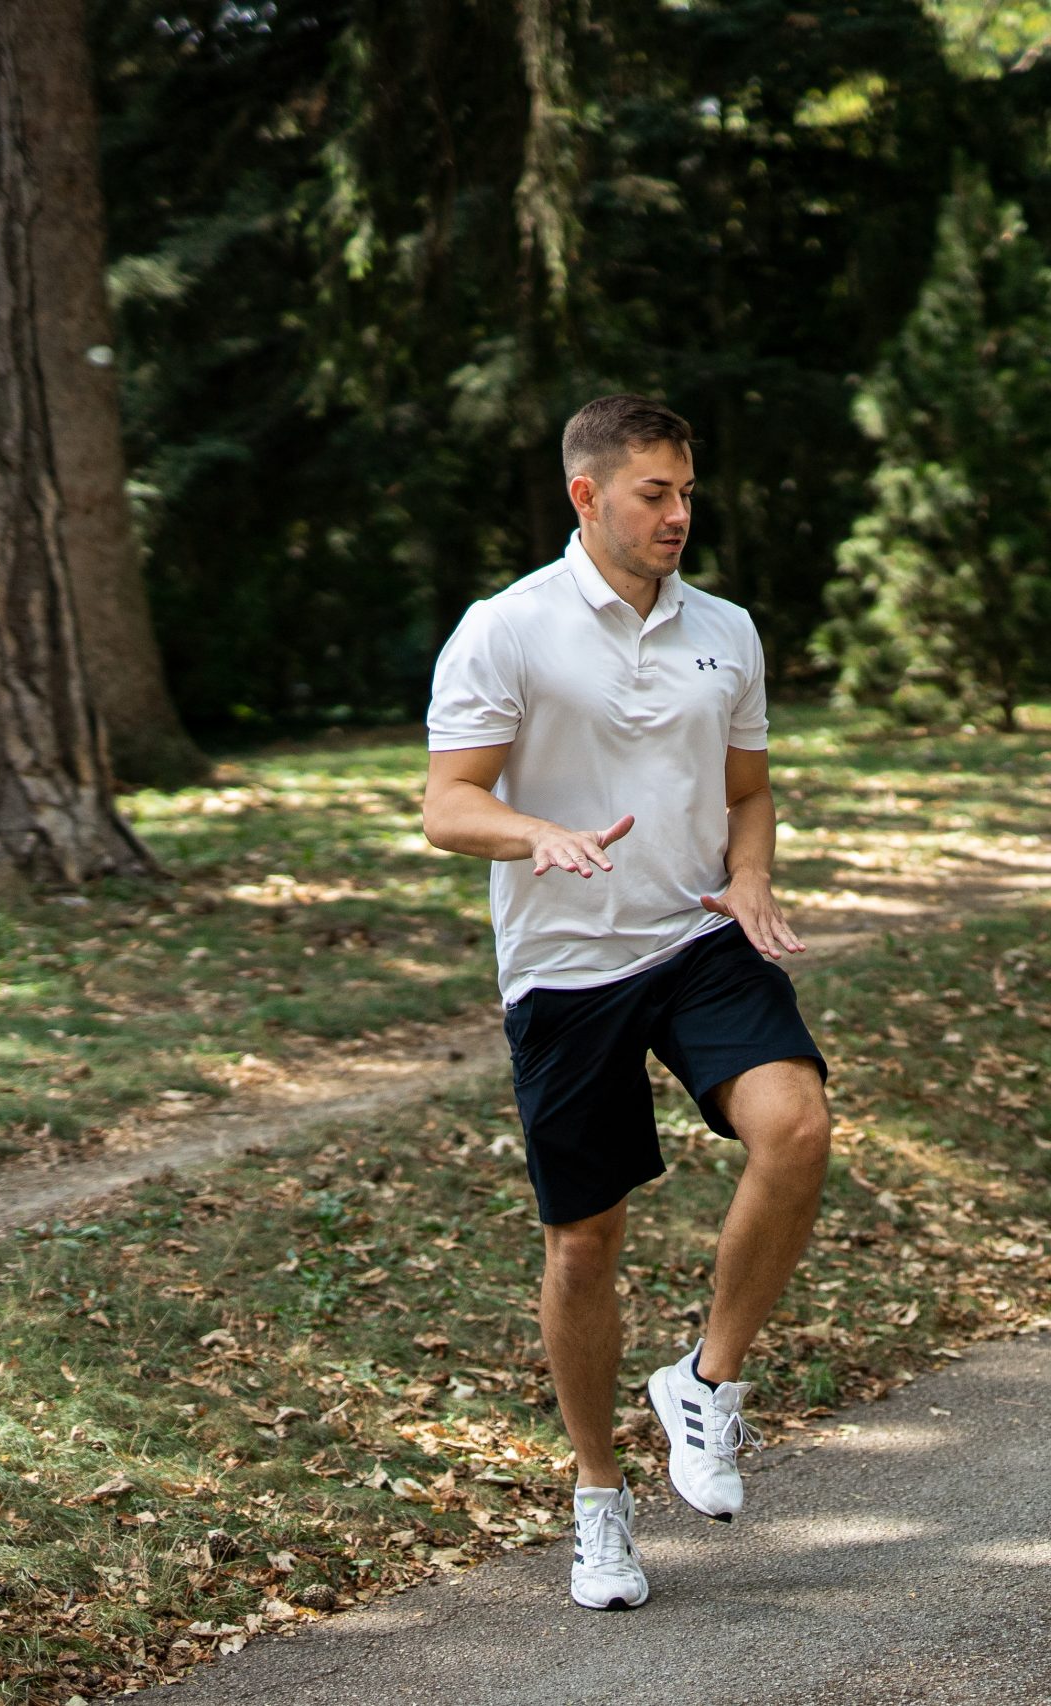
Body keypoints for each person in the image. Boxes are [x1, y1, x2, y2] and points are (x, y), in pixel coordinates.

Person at [422, 395, 830, 1611]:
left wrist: (749, 873)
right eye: (654, 493)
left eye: (688, 492)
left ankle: (705, 1383)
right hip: (564, 968)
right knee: (583, 1241)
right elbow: (448, 804)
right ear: (585, 495)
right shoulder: (508, 630)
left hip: (698, 934)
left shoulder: (728, 630)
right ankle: (599, 1497)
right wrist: (534, 831)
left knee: (795, 1125)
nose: (678, 514)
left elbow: (747, 789)